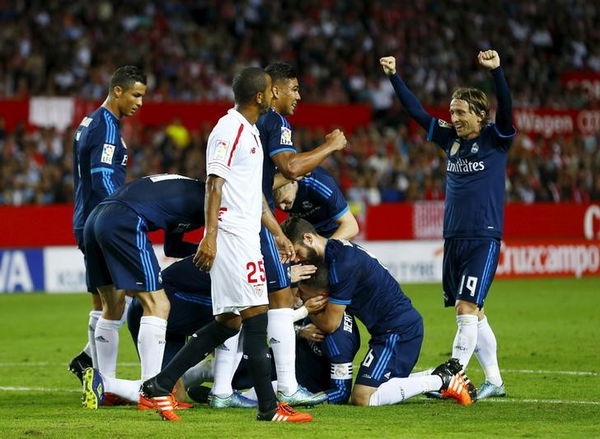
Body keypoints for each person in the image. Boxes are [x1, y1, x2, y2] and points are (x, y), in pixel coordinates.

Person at [139, 67, 312, 422]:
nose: (275, 96)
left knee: (228, 322)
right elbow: (213, 183)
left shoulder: (250, 131)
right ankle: (269, 408)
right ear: (260, 97)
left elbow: (253, 194)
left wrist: (277, 233)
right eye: (269, 91)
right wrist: (211, 237)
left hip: (247, 234)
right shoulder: (228, 129)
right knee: (255, 317)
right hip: (232, 237)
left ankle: (160, 384)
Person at [380, 50, 515, 399]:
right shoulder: (449, 139)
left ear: (480, 115)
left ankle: (450, 378)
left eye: (460, 112)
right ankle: (496, 382)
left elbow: (508, 110)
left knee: (465, 308)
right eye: (452, 111)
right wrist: (395, 76)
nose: (453, 117)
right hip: (453, 237)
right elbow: (415, 112)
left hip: (483, 237)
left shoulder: (495, 140)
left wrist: (497, 72)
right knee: (476, 311)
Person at [280, 217, 477, 406]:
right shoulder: (337, 252)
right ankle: (434, 375)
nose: (296, 260)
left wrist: (308, 309)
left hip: (398, 332)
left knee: (363, 397)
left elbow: (331, 324)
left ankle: (443, 379)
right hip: (389, 330)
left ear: (308, 238)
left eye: (296, 252)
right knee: (379, 385)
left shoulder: (342, 264)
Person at [249, 62, 347, 406]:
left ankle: (219, 387)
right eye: (294, 88)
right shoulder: (274, 120)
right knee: (274, 299)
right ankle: (287, 388)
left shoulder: (246, 121)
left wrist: (275, 229)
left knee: (244, 307)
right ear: (275, 90)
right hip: (248, 224)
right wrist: (330, 147)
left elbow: (260, 183)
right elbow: (290, 167)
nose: (298, 96)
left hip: (246, 220)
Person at [81, 174, 205, 405]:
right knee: (158, 304)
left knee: (112, 306)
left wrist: (200, 249)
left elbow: (172, 247)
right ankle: (152, 391)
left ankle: (106, 387)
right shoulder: (211, 198)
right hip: (126, 219)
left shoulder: (184, 190)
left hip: (97, 218)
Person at [69, 66, 147, 383]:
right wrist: (122, 213)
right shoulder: (107, 128)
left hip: (86, 217)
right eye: (136, 95)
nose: (140, 102)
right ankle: (102, 376)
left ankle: (90, 365)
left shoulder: (90, 120)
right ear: (118, 91)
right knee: (124, 295)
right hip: (102, 221)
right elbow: (102, 178)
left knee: (104, 299)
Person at [274, 166, 359, 240]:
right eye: (277, 205)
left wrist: (324, 247)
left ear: (293, 181)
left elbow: (351, 226)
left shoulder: (317, 182)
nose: (282, 207)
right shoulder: (267, 189)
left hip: (333, 232)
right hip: (305, 235)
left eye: (284, 201)